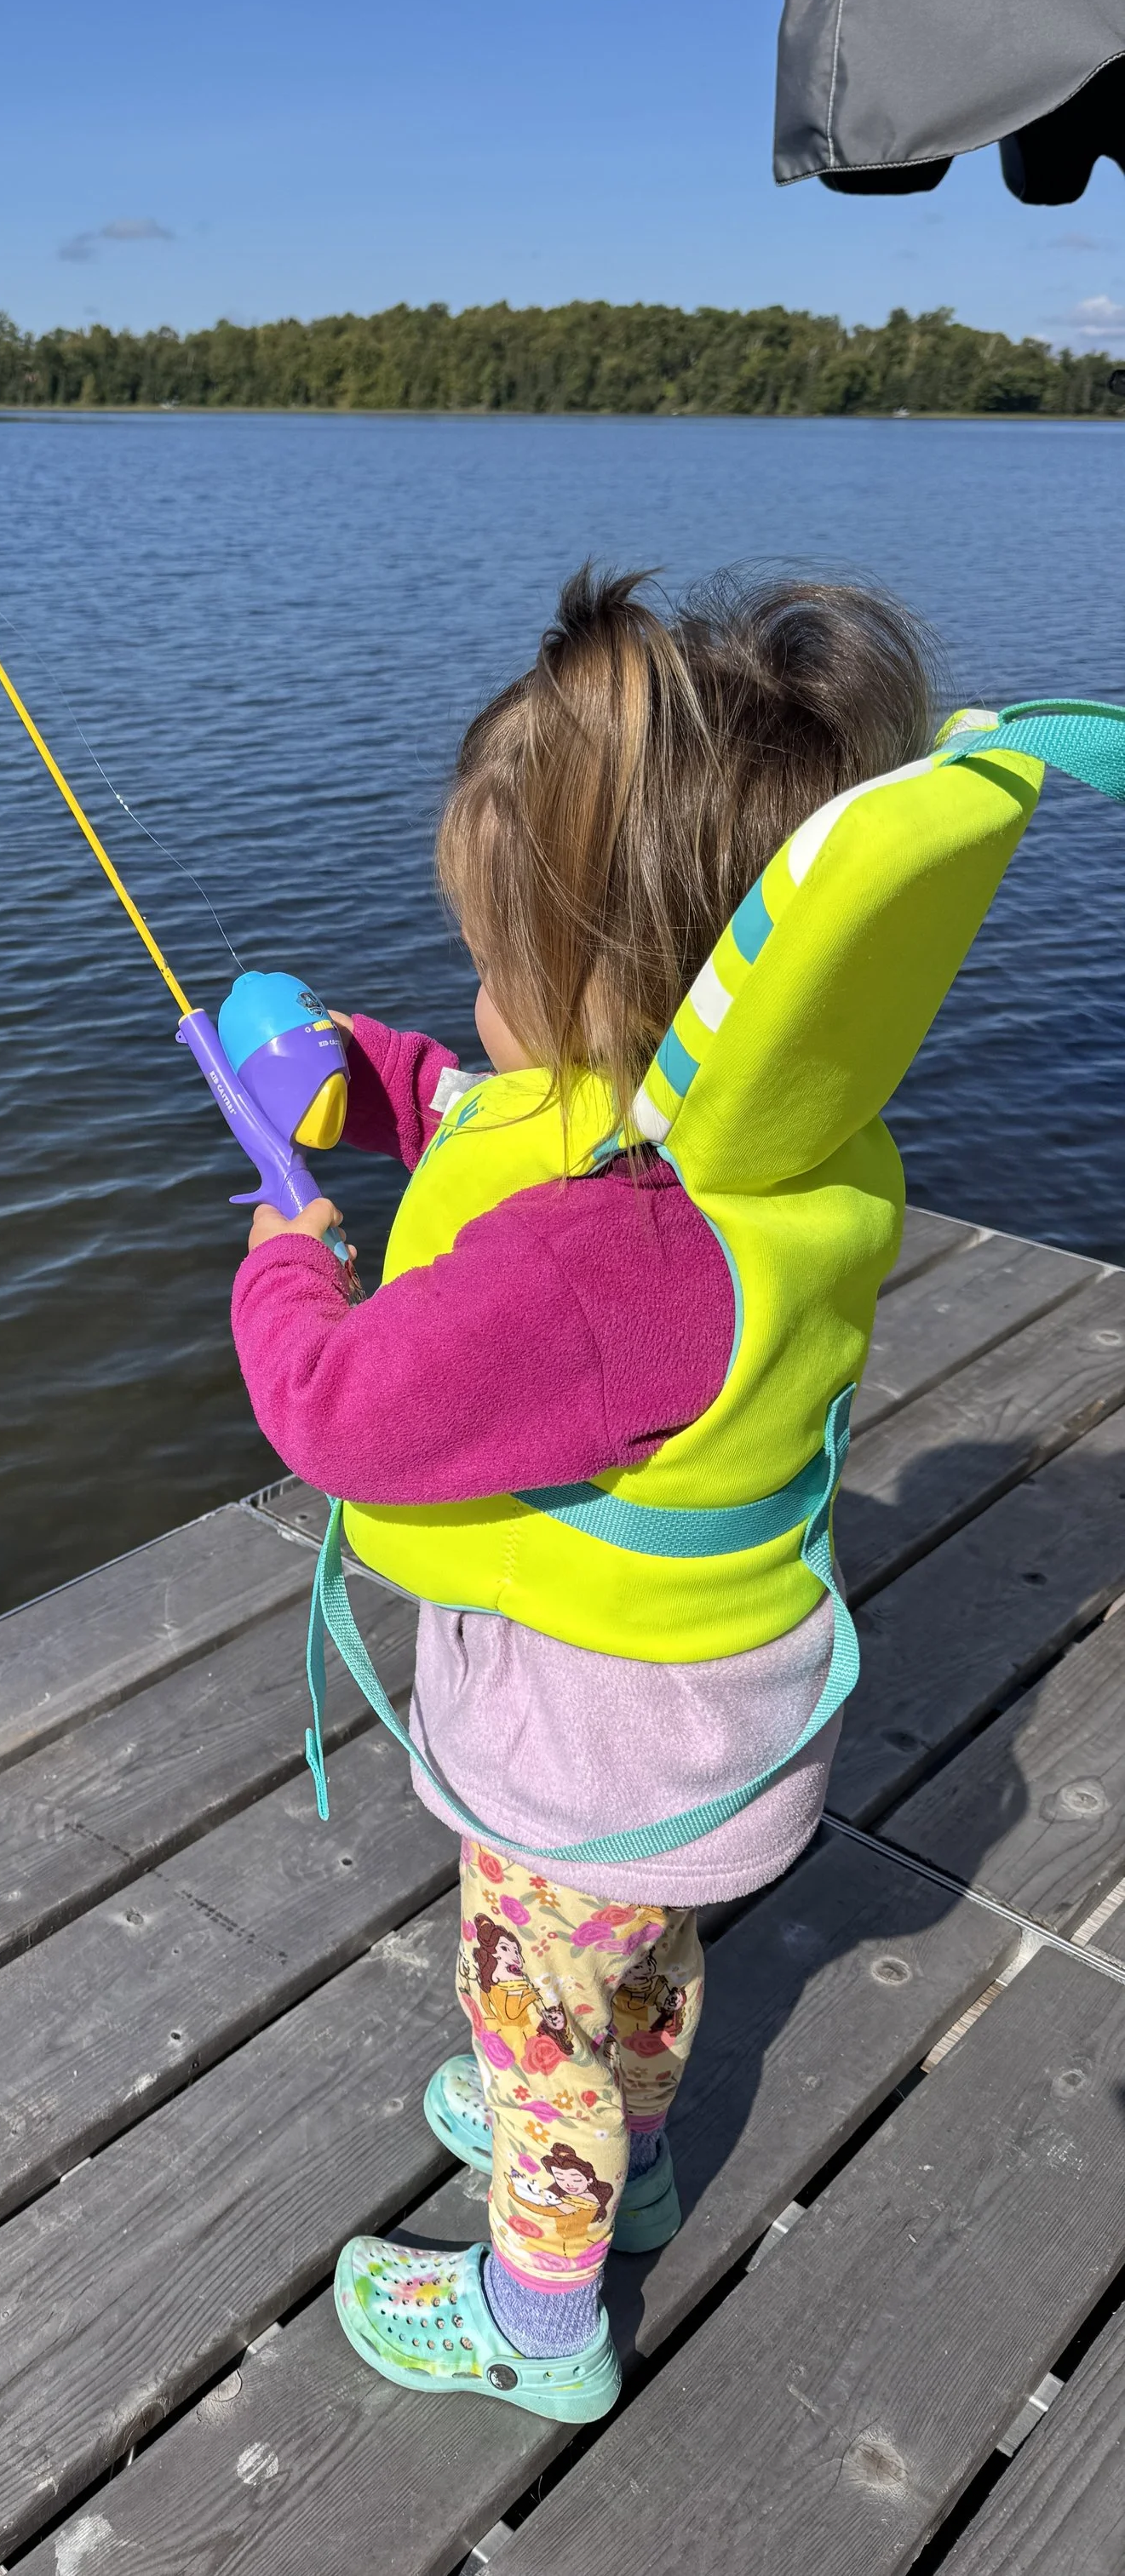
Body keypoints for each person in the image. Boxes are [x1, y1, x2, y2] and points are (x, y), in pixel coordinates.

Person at [230, 565, 938, 2423]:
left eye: (489, 957)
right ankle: (630, 2140)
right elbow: (500, 1100)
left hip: (586, 1768)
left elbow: (334, 1409)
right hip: (712, 1741)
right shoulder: (763, 1136)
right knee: (625, 1986)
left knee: (531, 2027)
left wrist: (284, 1241)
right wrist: (362, 1085)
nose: (465, 993)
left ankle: (536, 2319)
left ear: (600, 980)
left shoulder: (600, 1270)